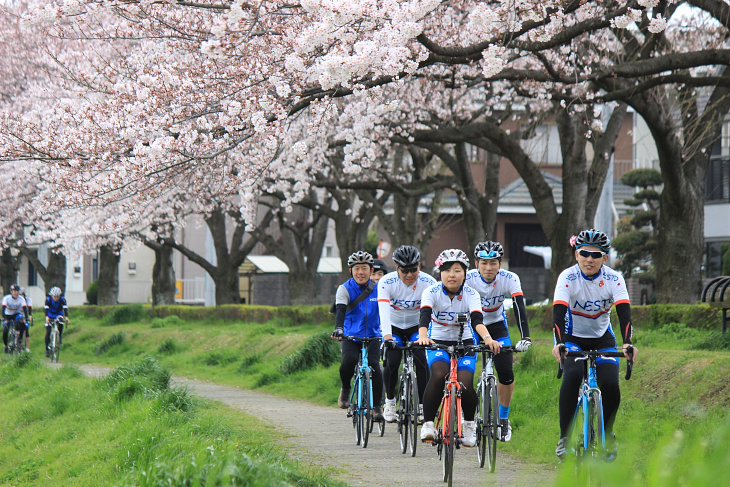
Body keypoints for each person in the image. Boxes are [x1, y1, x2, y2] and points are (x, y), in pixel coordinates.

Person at [552, 229, 638, 461]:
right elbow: (558, 313)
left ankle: (607, 434)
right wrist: (559, 343)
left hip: (602, 337)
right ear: (576, 255)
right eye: (584, 253)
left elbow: (624, 314)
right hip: (571, 336)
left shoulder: (614, 278)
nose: (589, 259)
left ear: (605, 258)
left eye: (596, 255)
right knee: (572, 377)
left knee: (610, 383)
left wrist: (628, 344)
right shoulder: (567, 277)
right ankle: (565, 439)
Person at [416, 249, 501, 447]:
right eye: (446, 270)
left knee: (465, 382)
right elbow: (425, 316)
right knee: (438, 375)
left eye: (457, 270)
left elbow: (477, 321)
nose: (451, 275)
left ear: (465, 273)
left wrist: (488, 339)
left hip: (466, 343)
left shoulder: (472, 294)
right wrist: (422, 336)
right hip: (437, 342)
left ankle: (469, 424)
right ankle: (428, 423)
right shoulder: (431, 292)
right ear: (440, 273)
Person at [465, 240, 532, 442]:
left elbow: (520, 307)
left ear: (500, 264)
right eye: (483, 263)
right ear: (476, 263)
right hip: (471, 326)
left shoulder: (509, 278)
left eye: (493, 263)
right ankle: (463, 414)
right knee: (463, 368)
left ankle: (503, 419)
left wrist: (525, 337)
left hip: (496, 325)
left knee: (506, 372)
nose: (488, 267)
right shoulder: (467, 278)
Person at [378, 245, 436, 423]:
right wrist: (387, 337)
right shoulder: (386, 282)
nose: (410, 275)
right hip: (393, 326)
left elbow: (433, 313)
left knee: (421, 358)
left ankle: (421, 405)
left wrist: (425, 335)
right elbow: (384, 312)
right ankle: (390, 401)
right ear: (397, 268)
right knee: (392, 360)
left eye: (414, 269)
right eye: (405, 271)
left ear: (419, 265)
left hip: (417, 327)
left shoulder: (429, 282)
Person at [331, 250, 384, 422]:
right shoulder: (344, 289)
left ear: (371, 270)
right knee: (349, 361)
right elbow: (340, 310)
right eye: (357, 268)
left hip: (374, 335)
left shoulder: (380, 288)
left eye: (364, 268)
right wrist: (339, 329)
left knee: (376, 366)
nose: (360, 272)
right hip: (351, 336)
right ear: (351, 271)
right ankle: (345, 388)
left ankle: (377, 406)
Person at [2, 284, 29, 353]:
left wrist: (26, 317)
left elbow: (24, 308)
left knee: (22, 322)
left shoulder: (21, 298)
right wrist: (4, 319)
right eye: (14, 291)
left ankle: (19, 340)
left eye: (17, 291)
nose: (16, 293)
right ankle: (6, 345)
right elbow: (3, 309)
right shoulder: (6, 298)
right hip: (7, 315)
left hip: (16, 314)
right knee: (5, 330)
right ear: (11, 291)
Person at [44, 286, 69, 357]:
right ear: (51, 295)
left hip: (58, 314)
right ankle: (46, 349)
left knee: (61, 323)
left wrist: (67, 317)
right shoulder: (48, 299)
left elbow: (65, 308)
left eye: (57, 297)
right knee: (48, 331)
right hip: (49, 314)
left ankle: (60, 336)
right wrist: (47, 317)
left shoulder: (62, 299)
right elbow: (46, 309)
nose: (56, 298)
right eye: (54, 297)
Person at [19, 287, 33, 352]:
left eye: (22, 295)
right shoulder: (17, 300)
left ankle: (27, 347)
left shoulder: (28, 300)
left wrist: (30, 316)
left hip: (25, 315)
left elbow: (29, 309)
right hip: (17, 315)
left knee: (26, 330)